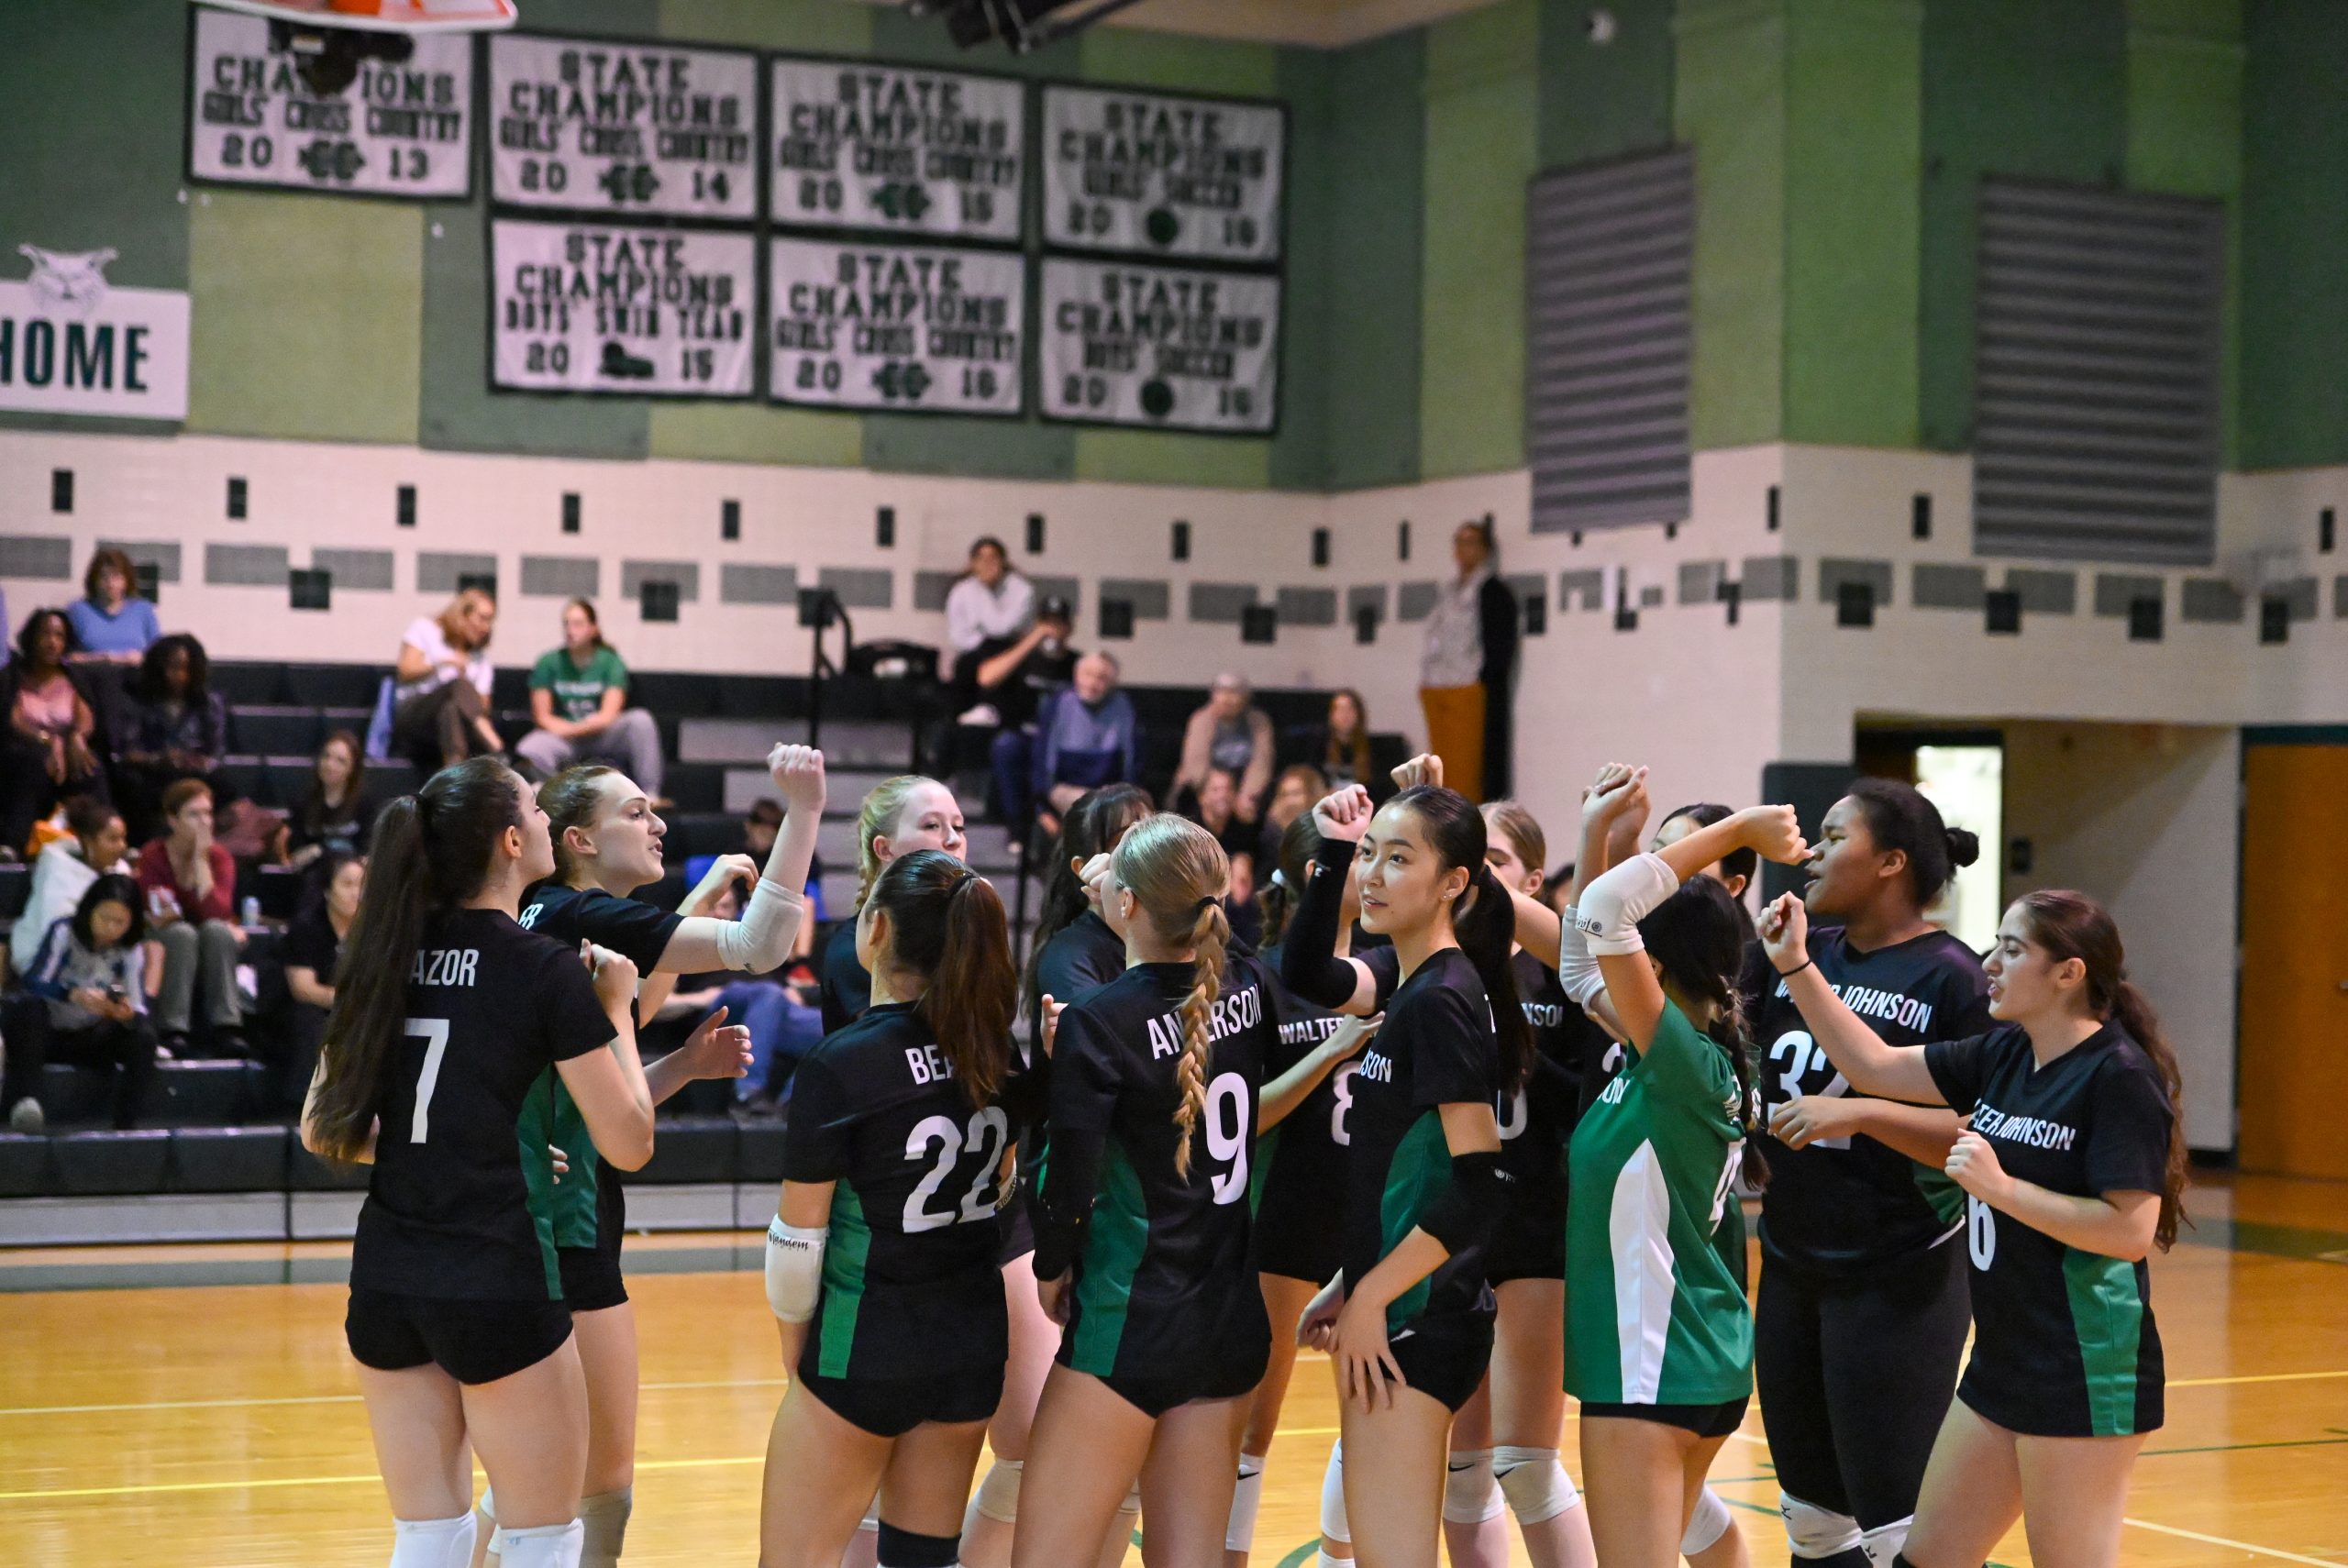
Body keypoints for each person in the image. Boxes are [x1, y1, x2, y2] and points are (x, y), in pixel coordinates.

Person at [299, 755, 659, 1568]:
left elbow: (323, 1128)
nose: (543, 820)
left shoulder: (385, 950)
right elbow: (629, 1141)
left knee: (428, 1537)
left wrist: (453, 1149)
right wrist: (619, 1011)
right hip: (498, 1275)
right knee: (540, 1538)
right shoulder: (542, 969)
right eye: (533, 809)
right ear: (508, 841)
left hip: (388, 1275)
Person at [1757, 889, 2185, 1568]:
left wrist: (2000, 1188)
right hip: (2001, 1364)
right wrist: (1796, 965)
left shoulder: (2118, 1077)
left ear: (2068, 973)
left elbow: (2129, 1231)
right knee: (1923, 1558)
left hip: (2083, 1370)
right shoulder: (2006, 1054)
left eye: (2012, 951)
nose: (1990, 962)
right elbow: (1873, 1066)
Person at [489, 750, 815, 1568]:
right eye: (635, 813)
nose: (658, 821)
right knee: (595, 1487)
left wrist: (683, 1067)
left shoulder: (546, 916)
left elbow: (605, 1065)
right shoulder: (574, 916)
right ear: (578, 840)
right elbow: (762, 942)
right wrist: (806, 810)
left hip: (538, 1209)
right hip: (565, 1221)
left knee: (532, 1484)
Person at [1018, 814, 1373, 1568]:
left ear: (1127, 907)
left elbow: (1070, 1185)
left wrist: (1050, 1270)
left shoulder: (1098, 1021)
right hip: (1226, 1321)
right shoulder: (1245, 984)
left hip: (1129, 1320)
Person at [1740, 779, 1991, 1568]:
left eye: (1832, 835)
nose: (1810, 852)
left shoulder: (1954, 978)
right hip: (1788, 1265)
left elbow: (1983, 1138)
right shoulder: (1785, 957)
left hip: (1900, 1274)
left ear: (1890, 861)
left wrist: (1861, 1114)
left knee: (1898, 1531)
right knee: (1813, 1523)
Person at [1279, 782, 1529, 1568]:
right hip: (1401, 1307)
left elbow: (1479, 1184)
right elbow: (1307, 967)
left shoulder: (1443, 1000)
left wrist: (1378, 1294)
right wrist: (1356, 1281)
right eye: (1369, 857)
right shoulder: (1413, 980)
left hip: (1416, 1322)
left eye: (1399, 858)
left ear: (1454, 882)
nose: (1375, 875)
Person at [1556, 773, 1800, 1568]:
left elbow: (1601, 913)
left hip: (1650, 1369)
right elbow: (1578, 968)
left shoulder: (1679, 1065)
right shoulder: (1679, 1052)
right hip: (1692, 1360)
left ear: (1653, 965)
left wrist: (1739, 830)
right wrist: (1595, 830)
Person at [757, 848, 1023, 1568]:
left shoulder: (844, 1063)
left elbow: (796, 1238)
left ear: (876, 932)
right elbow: (1002, 1189)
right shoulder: (998, 1054)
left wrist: (795, 1351)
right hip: (969, 1348)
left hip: (863, 1344)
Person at [958, 783, 1157, 1568]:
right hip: (1064, 1213)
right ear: (1086, 870)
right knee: (1032, 1452)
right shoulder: (1070, 956)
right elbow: (1129, 1071)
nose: (1149, 849)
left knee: (1121, 1467)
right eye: (1128, 838)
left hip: (1146, 1221)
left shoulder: (1180, 942)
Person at [1450, 798, 1600, 1568]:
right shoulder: (1438, 959)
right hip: (1448, 1228)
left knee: (1526, 1462)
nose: (1477, 876)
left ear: (1534, 879)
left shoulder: (1561, 973)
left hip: (1536, 1224)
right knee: (1459, 1469)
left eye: (1495, 861)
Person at [1229, 812, 1367, 1568]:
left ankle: (1338, 1560)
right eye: (1354, 859)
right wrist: (1333, 1051)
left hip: (1366, 1211)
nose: (1369, 873)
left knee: (1366, 1413)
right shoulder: (1264, 977)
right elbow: (1241, 1114)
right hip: (1285, 1212)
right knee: (1257, 1422)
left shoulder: (1389, 966)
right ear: (1315, 876)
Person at [1, 874, 157, 1132]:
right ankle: (28, 1102)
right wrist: (72, 994)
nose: (110, 928)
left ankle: (125, 1124)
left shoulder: (131, 950)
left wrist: (124, 1014)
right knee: (27, 1008)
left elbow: (139, 1007)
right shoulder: (64, 930)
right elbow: (34, 981)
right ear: (89, 910)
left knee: (144, 1037)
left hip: (92, 1035)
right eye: (104, 918)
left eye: (120, 922)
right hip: (49, 1031)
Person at [819, 778, 968, 1035]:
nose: (953, 839)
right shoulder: (853, 949)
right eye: (932, 825)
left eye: (959, 826)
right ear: (885, 848)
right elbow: (899, 1051)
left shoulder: (969, 928)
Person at [133, 779, 246, 1057]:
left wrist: (200, 861)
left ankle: (226, 1027)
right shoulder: (153, 855)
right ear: (173, 820)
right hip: (162, 934)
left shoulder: (219, 858)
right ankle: (173, 1029)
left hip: (204, 933)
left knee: (217, 931)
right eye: (194, 814)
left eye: (208, 813)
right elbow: (159, 914)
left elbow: (217, 913)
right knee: (182, 934)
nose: (204, 822)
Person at [516, 599, 664, 800]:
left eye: (577, 624)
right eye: (566, 623)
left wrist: (576, 728)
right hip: (564, 737)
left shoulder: (611, 661)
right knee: (530, 747)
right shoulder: (548, 662)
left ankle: (650, 794)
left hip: (600, 734)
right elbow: (542, 716)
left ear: (593, 629)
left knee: (640, 720)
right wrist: (567, 730)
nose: (570, 630)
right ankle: (553, 797)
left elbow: (608, 715)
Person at [1417, 521, 1519, 803]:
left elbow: (1498, 651)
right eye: (1459, 542)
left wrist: (1483, 683)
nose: (1463, 550)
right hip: (1438, 687)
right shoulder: (1447, 591)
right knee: (1440, 771)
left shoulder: (1492, 591)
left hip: (1468, 689)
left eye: (1471, 542)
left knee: (1468, 773)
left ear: (1484, 550)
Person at [2, 608, 105, 856]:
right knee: (34, 764)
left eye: (59, 635)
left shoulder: (75, 677)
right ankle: (14, 844)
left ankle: (104, 839)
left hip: (67, 748)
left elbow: (85, 717)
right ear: (32, 638)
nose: (52, 642)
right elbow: (14, 721)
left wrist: (75, 737)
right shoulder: (12, 676)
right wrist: (47, 741)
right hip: (23, 748)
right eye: (45, 634)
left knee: (90, 765)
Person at [1008, 651, 1141, 839]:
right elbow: (1042, 763)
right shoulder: (1061, 704)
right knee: (1090, 808)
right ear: (1076, 676)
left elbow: (1131, 764)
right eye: (1087, 675)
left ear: (1112, 684)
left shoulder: (1123, 708)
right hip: (1065, 789)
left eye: (1101, 678)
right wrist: (1041, 810)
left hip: (1108, 791)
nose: (1093, 683)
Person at [109, 633, 228, 842]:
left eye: (186, 668)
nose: (179, 675)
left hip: (194, 775)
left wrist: (194, 761)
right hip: (151, 774)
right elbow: (127, 750)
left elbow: (216, 752)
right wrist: (160, 758)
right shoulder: (139, 701)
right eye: (173, 667)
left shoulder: (209, 703)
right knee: (130, 784)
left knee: (221, 785)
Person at [279, 852, 364, 1112]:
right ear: (328, 890)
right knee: (308, 1018)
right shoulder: (307, 927)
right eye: (347, 884)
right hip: (311, 1007)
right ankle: (301, 1103)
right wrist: (353, 1001)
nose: (356, 893)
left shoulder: (371, 929)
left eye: (362, 885)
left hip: (351, 1006)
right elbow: (303, 988)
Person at [10, 797, 130, 979]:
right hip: (44, 960)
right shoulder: (57, 867)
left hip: (99, 961)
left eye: (123, 839)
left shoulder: (121, 871)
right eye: (113, 839)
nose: (122, 847)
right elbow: (58, 931)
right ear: (89, 842)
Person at [392, 588, 502, 773]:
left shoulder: (481, 661)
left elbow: (482, 709)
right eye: (482, 618)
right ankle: (495, 745)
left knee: (450, 708)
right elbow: (405, 671)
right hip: (414, 718)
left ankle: (454, 771)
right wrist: (443, 663)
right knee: (455, 686)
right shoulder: (425, 628)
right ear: (462, 614)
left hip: (448, 731)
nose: (486, 627)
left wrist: (465, 688)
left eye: (490, 621)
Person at [944, 536, 1037, 719]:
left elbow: (1002, 629)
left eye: (993, 558)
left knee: (1004, 662)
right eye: (981, 559)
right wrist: (981, 642)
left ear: (1003, 561)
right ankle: (961, 719)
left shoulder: (1022, 590)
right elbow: (958, 636)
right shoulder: (961, 591)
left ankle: (998, 714)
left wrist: (985, 590)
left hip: (1011, 649)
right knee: (964, 665)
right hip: (975, 652)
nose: (987, 564)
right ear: (973, 563)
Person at [1174, 674, 1275, 823]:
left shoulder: (1259, 721)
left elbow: (1262, 763)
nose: (1227, 699)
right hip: (1204, 784)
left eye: (1234, 693)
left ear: (1245, 698)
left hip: (1243, 783)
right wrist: (1216, 792)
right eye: (1221, 692)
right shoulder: (1201, 719)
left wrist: (1246, 794)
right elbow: (1195, 764)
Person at [282, 731, 373, 873]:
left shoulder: (366, 803)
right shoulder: (302, 801)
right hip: (313, 879)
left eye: (340, 761)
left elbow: (367, 853)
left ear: (352, 769)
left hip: (351, 877)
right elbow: (296, 856)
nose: (330, 765)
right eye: (326, 756)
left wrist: (321, 851)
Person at [65, 547, 161, 664]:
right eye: (103, 576)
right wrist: (103, 658)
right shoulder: (77, 611)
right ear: (94, 580)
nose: (110, 583)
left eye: (116, 576)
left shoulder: (143, 610)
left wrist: (139, 658)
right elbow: (67, 657)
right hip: (91, 679)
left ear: (127, 580)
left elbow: (159, 655)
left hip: (134, 679)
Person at [1256, 765, 1328, 870]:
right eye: (1284, 795)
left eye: (1296, 794)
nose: (1289, 801)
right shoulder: (1271, 833)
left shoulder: (1326, 828)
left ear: (1312, 795)